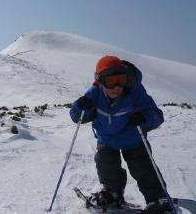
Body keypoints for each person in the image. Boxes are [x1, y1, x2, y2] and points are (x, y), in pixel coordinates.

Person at [70, 55, 172, 213]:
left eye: (121, 80)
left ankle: (157, 200)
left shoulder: (134, 92)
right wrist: (80, 107)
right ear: (100, 81)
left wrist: (144, 118)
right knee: (105, 163)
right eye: (111, 81)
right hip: (107, 139)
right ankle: (113, 193)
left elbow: (157, 115)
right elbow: (77, 117)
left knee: (143, 168)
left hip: (133, 139)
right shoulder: (94, 93)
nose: (117, 86)